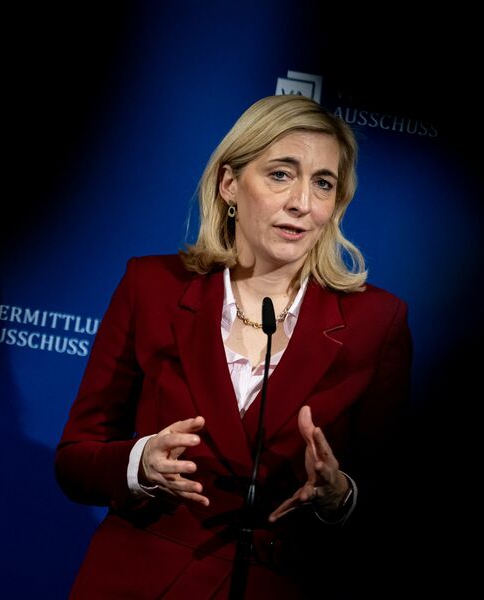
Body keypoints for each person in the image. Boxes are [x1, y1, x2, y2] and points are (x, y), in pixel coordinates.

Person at [55, 94, 412, 599]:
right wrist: (140, 462)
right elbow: (75, 459)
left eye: (323, 183)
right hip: (142, 581)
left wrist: (340, 495)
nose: (302, 203)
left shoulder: (376, 321)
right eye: (281, 174)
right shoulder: (151, 287)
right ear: (229, 185)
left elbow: (395, 500)